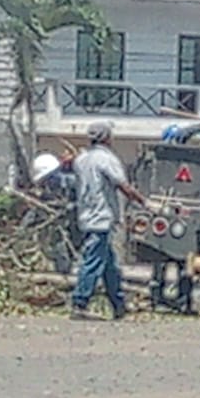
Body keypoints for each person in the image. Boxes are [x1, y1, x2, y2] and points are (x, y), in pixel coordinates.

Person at [70, 121, 148, 320]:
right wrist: (143, 201)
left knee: (110, 267)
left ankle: (118, 306)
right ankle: (80, 302)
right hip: (101, 217)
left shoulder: (81, 159)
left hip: (86, 215)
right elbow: (123, 185)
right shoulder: (106, 159)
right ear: (106, 138)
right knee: (93, 260)